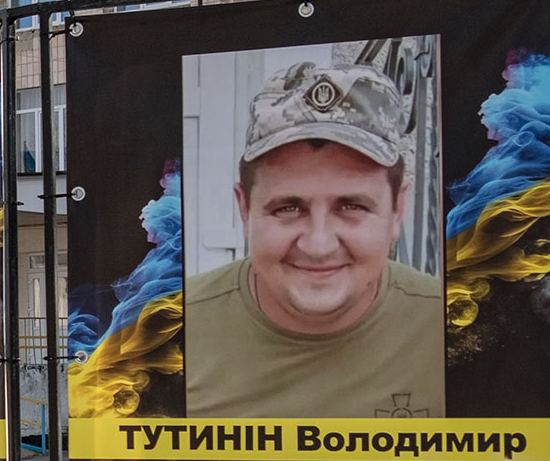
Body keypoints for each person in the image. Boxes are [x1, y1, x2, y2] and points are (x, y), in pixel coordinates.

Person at [184, 60, 445, 418]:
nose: (318, 246)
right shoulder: (163, 335)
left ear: (398, 208)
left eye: (351, 206)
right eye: (288, 208)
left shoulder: (461, 330)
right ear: (244, 209)